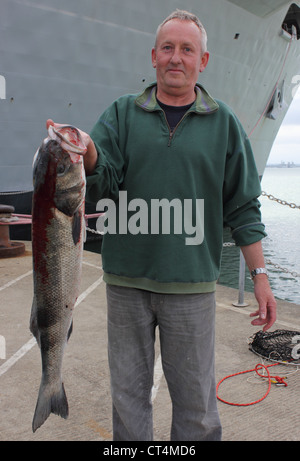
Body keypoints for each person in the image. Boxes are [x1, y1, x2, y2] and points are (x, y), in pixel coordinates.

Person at [47, 10, 276, 441]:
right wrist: (89, 153)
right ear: (153, 56)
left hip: (190, 287)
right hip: (126, 284)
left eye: (187, 49)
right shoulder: (121, 114)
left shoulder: (224, 123)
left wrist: (261, 278)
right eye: (168, 48)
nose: (176, 57)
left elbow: (244, 208)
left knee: (197, 408)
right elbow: (103, 184)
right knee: (128, 400)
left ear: (202, 61)